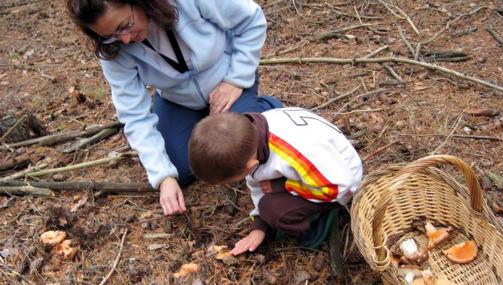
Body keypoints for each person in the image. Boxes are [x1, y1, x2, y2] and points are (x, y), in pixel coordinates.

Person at [66, 0, 282, 216]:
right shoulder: (113, 50)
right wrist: (164, 177)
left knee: (236, 150)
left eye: (124, 25)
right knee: (184, 167)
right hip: (178, 100)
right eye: (110, 35)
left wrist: (236, 79)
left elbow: (251, 19)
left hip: (227, 81)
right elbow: (134, 115)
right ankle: (206, 123)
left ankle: (264, 110)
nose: (124, 39)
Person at [188, 107, 363, 255]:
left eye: (233, 180)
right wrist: (259, 224)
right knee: (267, 204)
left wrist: (282, 186)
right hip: (315, 168)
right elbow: (257, 183)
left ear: (251, 165)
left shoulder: (294, 152)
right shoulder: (250, 137)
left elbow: (338, 186)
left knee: (274, 210)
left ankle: (319, 218)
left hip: (339, 180)